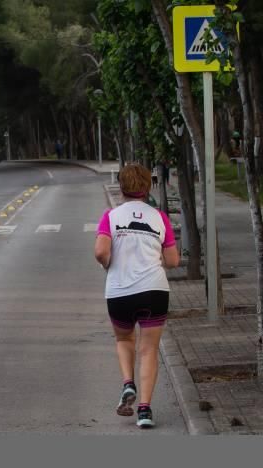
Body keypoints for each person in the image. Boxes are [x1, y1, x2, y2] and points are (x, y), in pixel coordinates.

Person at [94, 163, 180, 429]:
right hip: (154, 290)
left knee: (124, 339)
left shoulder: (110, 217)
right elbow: (173, 261)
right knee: (149, 349)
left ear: (121, 187)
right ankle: (144, 411)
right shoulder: (160, 217)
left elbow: (100, 252)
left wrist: (109, 262)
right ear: (148, 186)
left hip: (120, 292)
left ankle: (127, 383)